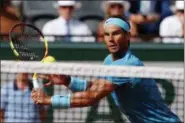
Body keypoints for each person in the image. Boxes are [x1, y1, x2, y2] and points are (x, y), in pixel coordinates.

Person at [31, 17, 182, 123]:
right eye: (107, 34)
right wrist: (67, 81)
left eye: (116, 33)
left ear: (128, 35)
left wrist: (48, 100)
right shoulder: (110, 60)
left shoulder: (127, 65)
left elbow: (90, 97)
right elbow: (95, 88)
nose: (110, 39)